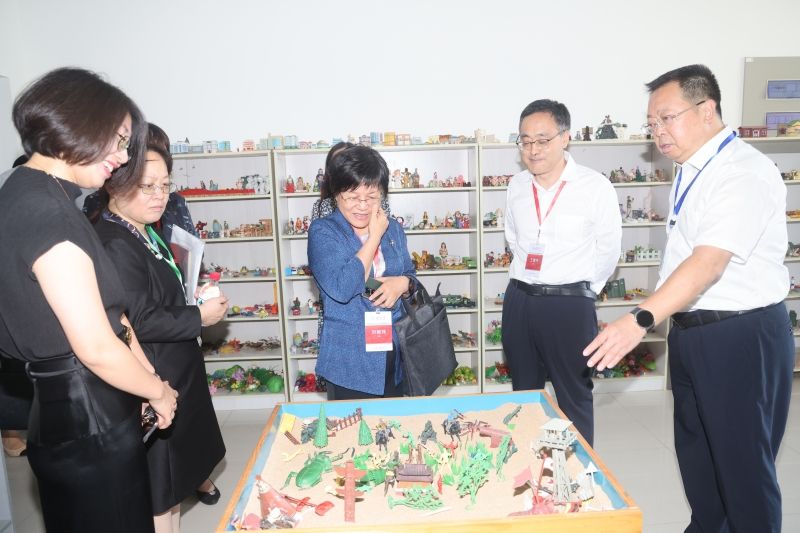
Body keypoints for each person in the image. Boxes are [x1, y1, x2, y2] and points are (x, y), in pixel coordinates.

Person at [584, 64, 793, 533]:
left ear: (707, 110)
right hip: (694, 332)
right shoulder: (691, 168)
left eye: (667, 118)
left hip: (740, 335)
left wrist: (640, 319)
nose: (658, 131)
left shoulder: (743, 171)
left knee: (743, 472)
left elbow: (708, 263)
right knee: (700, 463)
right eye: (651, 123)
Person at [0, 67, 178, 533]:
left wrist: (145, 378)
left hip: (66, 408)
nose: (122, 157)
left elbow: (111, 316)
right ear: (75, 124)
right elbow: (96, 346)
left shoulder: (24, 191)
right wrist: (157, 391)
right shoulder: (48, 215)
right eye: (117, 141)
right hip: (88, 415)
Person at [94, 126, 228, 533]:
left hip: (175, 373)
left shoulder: (143, 229)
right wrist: (198, 318)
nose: (159, 196)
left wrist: (190, 297)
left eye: (165, 185)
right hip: (153, 379)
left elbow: (155, 297)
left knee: (173, 488)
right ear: (115, 184)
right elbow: (138, 320)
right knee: (159, 490)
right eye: (146, 186)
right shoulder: (115, 242)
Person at [502, 99, 621, 446]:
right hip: (520, 299)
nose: (533, 149)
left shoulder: (594, 187)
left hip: (569, 305)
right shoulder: (517, 186)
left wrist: (581, 292)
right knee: (524, 394)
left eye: (542, 140)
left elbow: (608, 250)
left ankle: (579, 473)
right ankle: (528, 463)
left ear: (565, 137)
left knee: (574, 395)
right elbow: (514, 239)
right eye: (525, 141)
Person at [308, 145, 416, 400]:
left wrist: (402, 284)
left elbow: (411, 275)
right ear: (336, 193)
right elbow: (343, 287)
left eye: (372, 197)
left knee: (392, 422)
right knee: (352, 425)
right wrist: (374, 236)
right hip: (349, 360)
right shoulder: (323, 232)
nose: (363, 206)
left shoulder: (394, 229)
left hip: (395, 354)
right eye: (353, 197)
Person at [84, 123, 198, 243]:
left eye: (163, 152)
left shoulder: (176, 202)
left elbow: (192, 243)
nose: (159, 195)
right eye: (148, 185)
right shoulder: (111, 238)